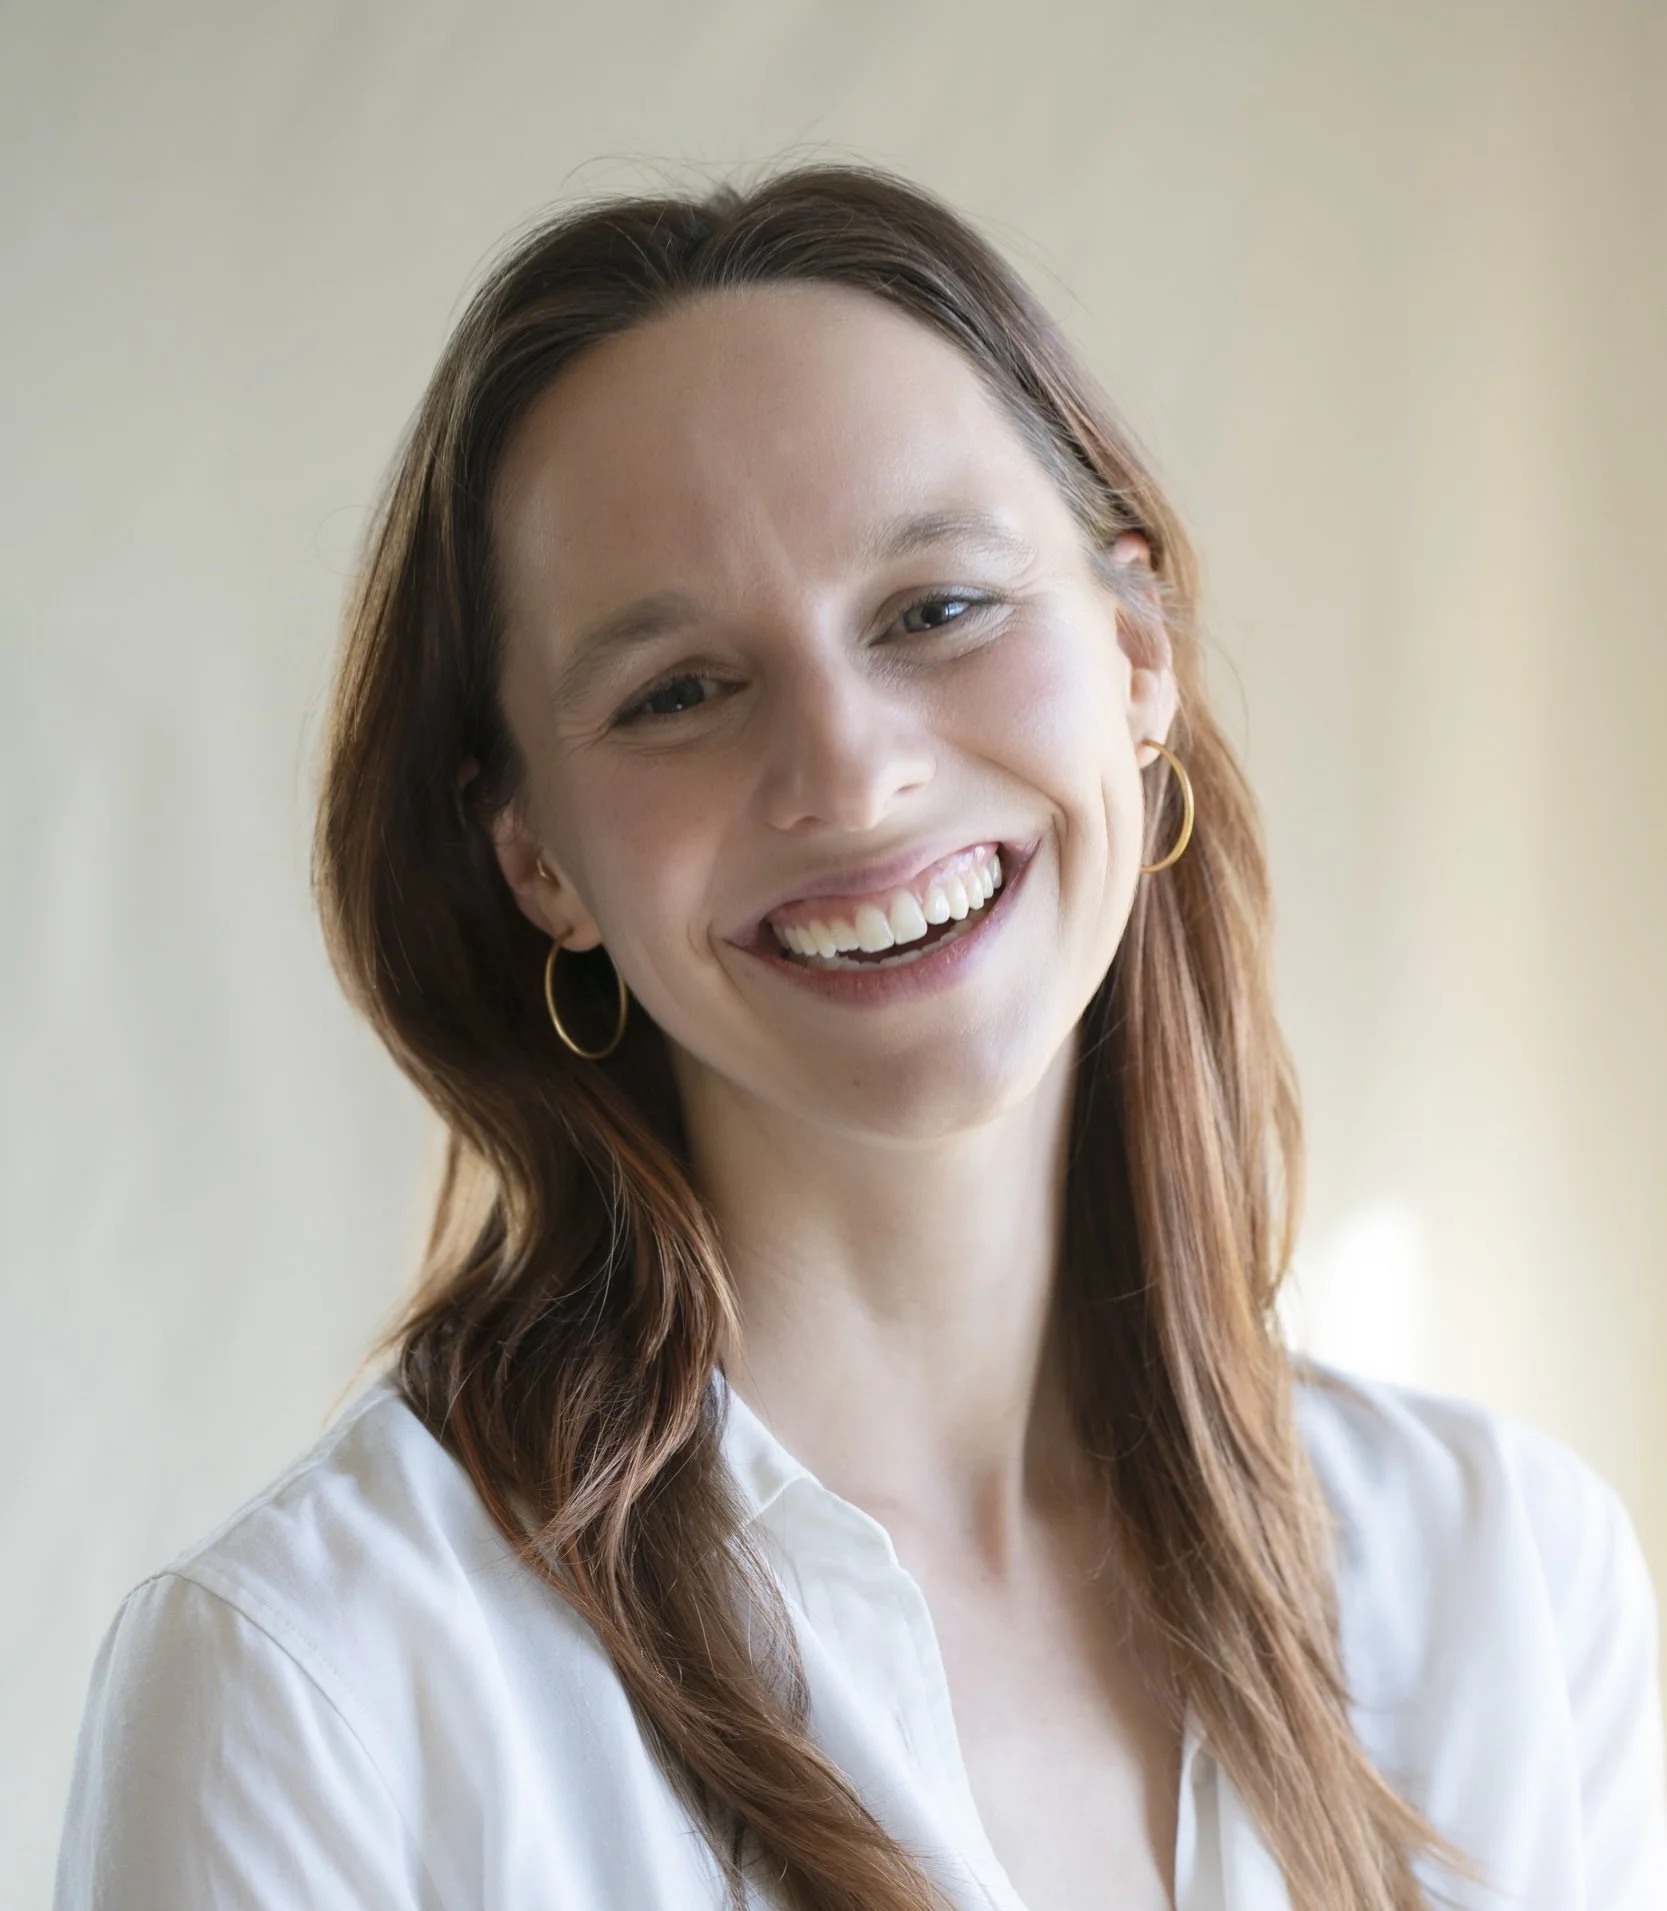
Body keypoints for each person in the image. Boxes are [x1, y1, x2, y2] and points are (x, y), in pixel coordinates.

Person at [54, 165, 1665, 1911]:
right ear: (535, 857)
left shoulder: (1512, 1573)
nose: (845, 769)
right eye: (676, 690)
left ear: (1136, 654)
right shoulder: (315, 1692)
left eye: (934, 609)